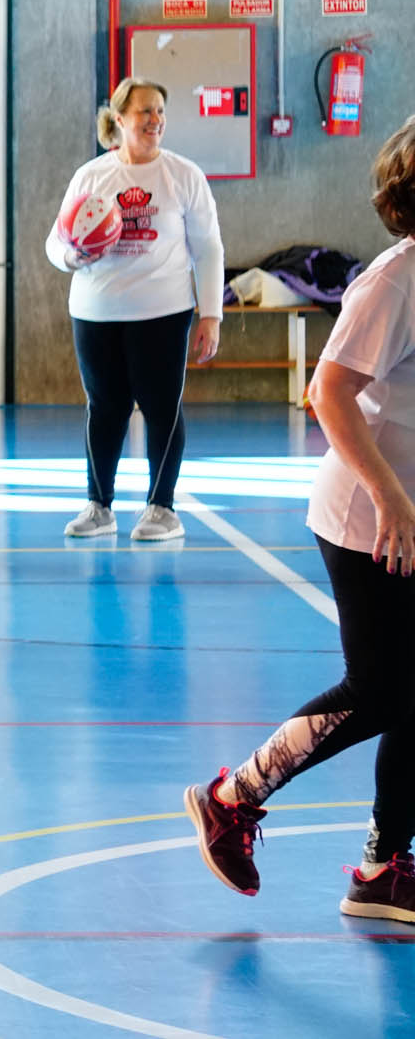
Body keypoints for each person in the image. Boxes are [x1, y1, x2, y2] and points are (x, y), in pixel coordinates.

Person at [184, 115, 415, 922]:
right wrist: (390, 493)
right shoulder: (395, 278)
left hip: (409, 514)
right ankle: (232, 796)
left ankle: (384, 867)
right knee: (383, 689)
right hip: (370, 517)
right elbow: (328, 392)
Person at [46, 78, 223, 541]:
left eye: (160, 111)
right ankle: (98, 506)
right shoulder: (91, 176)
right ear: (119, 119)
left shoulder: (184, 176)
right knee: (104, 409)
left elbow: (208, 248)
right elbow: (54, 242)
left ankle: (161, 509)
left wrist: (210, 314)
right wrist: (72, 256)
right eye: (144, 111)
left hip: (163, 313)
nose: (155, 120)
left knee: (162, 408)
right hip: (95, 312)